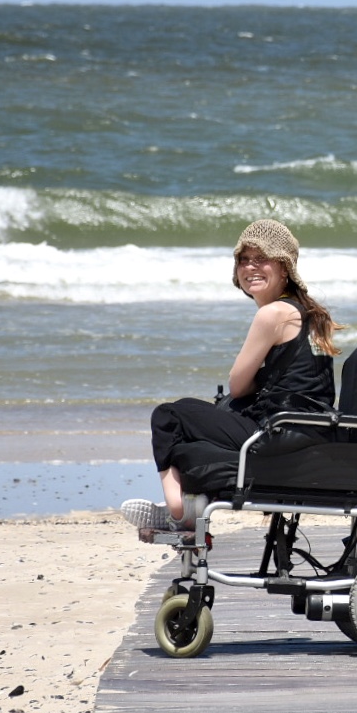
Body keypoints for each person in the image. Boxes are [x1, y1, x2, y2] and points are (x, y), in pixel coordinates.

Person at [120, 219, 338, 534]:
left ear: (284, 266)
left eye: (261, 258)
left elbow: (237, 384)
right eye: (243, 260)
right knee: (189, 451)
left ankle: (178, 511)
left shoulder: (273, 314)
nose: (251, 267)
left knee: (170, 416)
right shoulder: (309, 312)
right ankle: (185, 508)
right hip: (306, 432)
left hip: (279, 431)